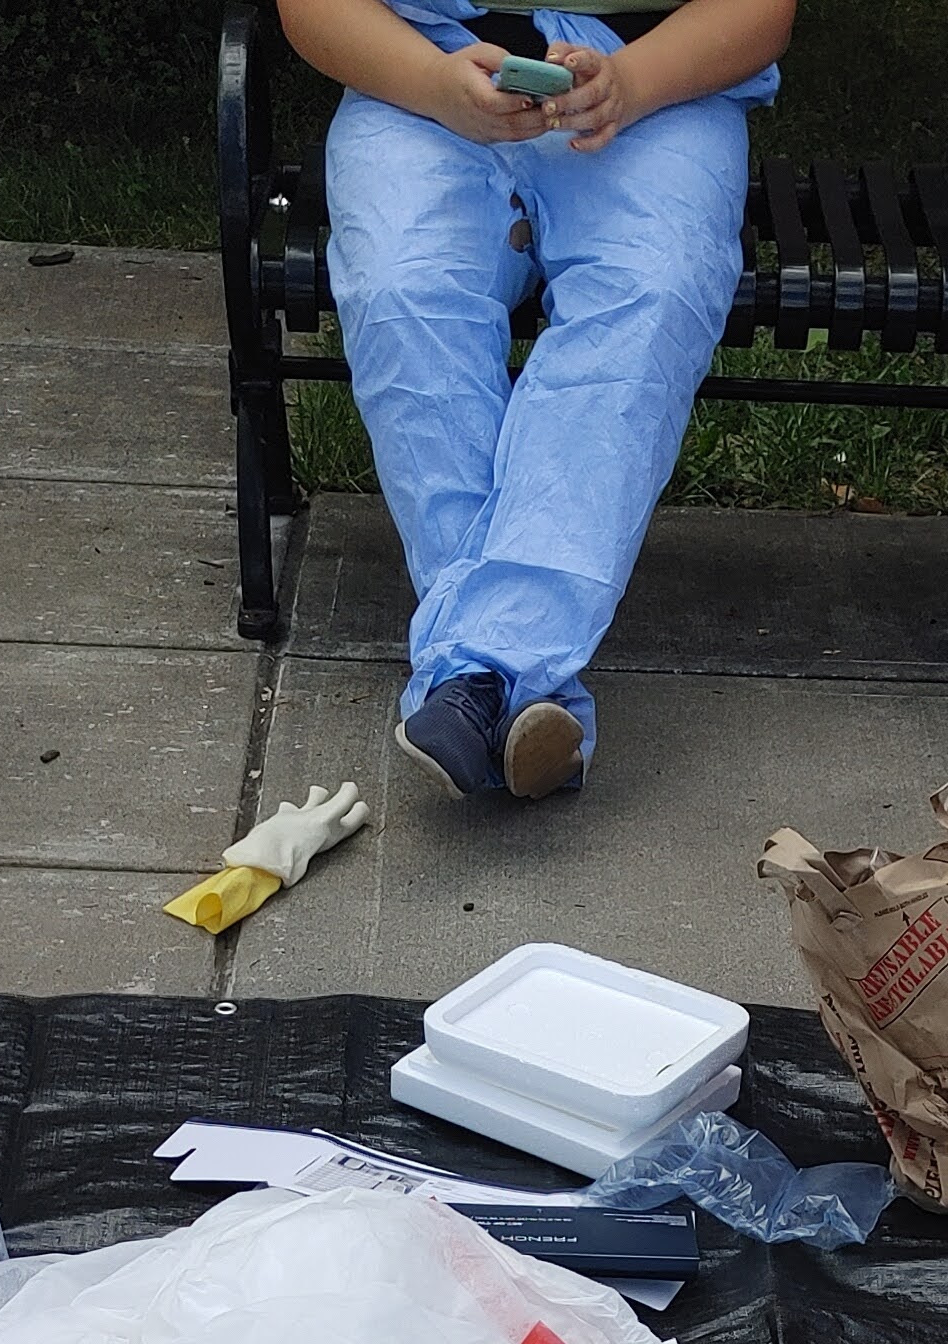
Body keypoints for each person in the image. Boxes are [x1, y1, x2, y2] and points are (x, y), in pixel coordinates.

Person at [287, 0, 794, 801]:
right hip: (417, 71)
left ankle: (478, 681)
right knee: (404, 295)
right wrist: (429, 81)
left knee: (649, 297)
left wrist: (629, 81)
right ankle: (528, 686)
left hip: (658, 77)